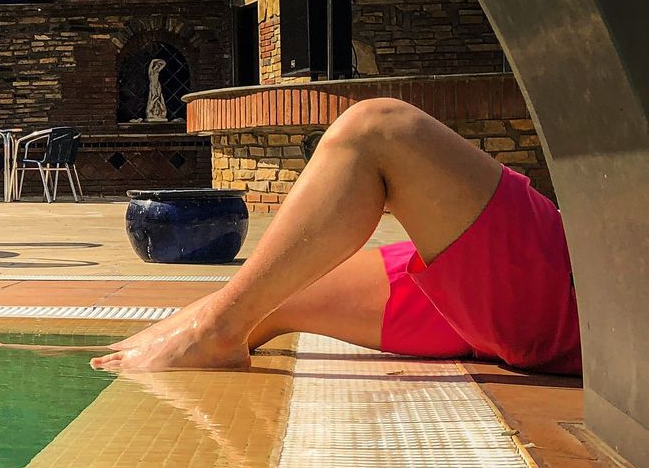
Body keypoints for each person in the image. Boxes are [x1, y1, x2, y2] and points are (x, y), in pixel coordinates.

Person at [92, 97, 580, 375]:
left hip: (578, 296)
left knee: (378, 131)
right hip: (570, 285)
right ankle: (210, 331)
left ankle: (214, 331)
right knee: (268, 297)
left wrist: (217, 326)